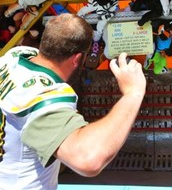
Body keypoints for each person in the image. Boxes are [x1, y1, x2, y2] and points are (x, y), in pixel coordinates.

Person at [0, 13, 146, 189]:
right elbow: (88, 158)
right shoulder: (46, 96)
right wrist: (133, 93)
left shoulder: (13, 57)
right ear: (78, 58)